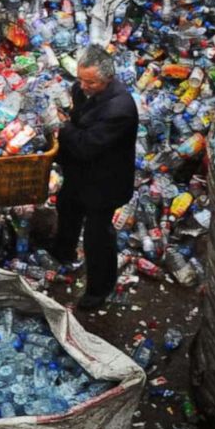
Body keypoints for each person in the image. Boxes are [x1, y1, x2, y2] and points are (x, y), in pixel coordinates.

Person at [47, 47, 139, 310]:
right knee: (67, 207)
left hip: (106, 182)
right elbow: (76, 119)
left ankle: (99, 290)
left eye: (91, 82)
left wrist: (63, 128)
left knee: (97, 236)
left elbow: (86, 144)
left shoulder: (120, 108)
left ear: (107, 78)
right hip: (81, 172)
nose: (83, 86)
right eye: (81, 79)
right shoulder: (82, 90)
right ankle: (62, 251)